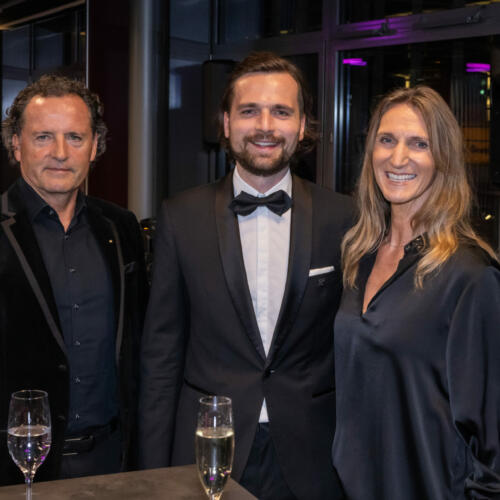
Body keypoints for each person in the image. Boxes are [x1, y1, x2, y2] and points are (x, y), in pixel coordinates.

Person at [139, 51, 353, 500]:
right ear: (226, 122)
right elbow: (162, 355)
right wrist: (153, 475)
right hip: (209, 448)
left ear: (302, 125)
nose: (265, 126)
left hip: (314, 454)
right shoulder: (180, 217)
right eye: (249, 111)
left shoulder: (343, 217)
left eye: (281, 112)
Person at [332, 85, 500, 499]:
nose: (398, 158)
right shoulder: (358, 256)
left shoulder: (470, 276)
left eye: (419, 144)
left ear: (444, 159)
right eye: (387, 140)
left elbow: (493, 451)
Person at [0, 75, 148, 484]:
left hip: (115, 463)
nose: (60, 153)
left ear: (95, 146)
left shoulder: (121, 227)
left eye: (75, 137)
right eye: (43, 137)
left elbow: (141, 344)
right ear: (16, 144)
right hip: (16, 468)